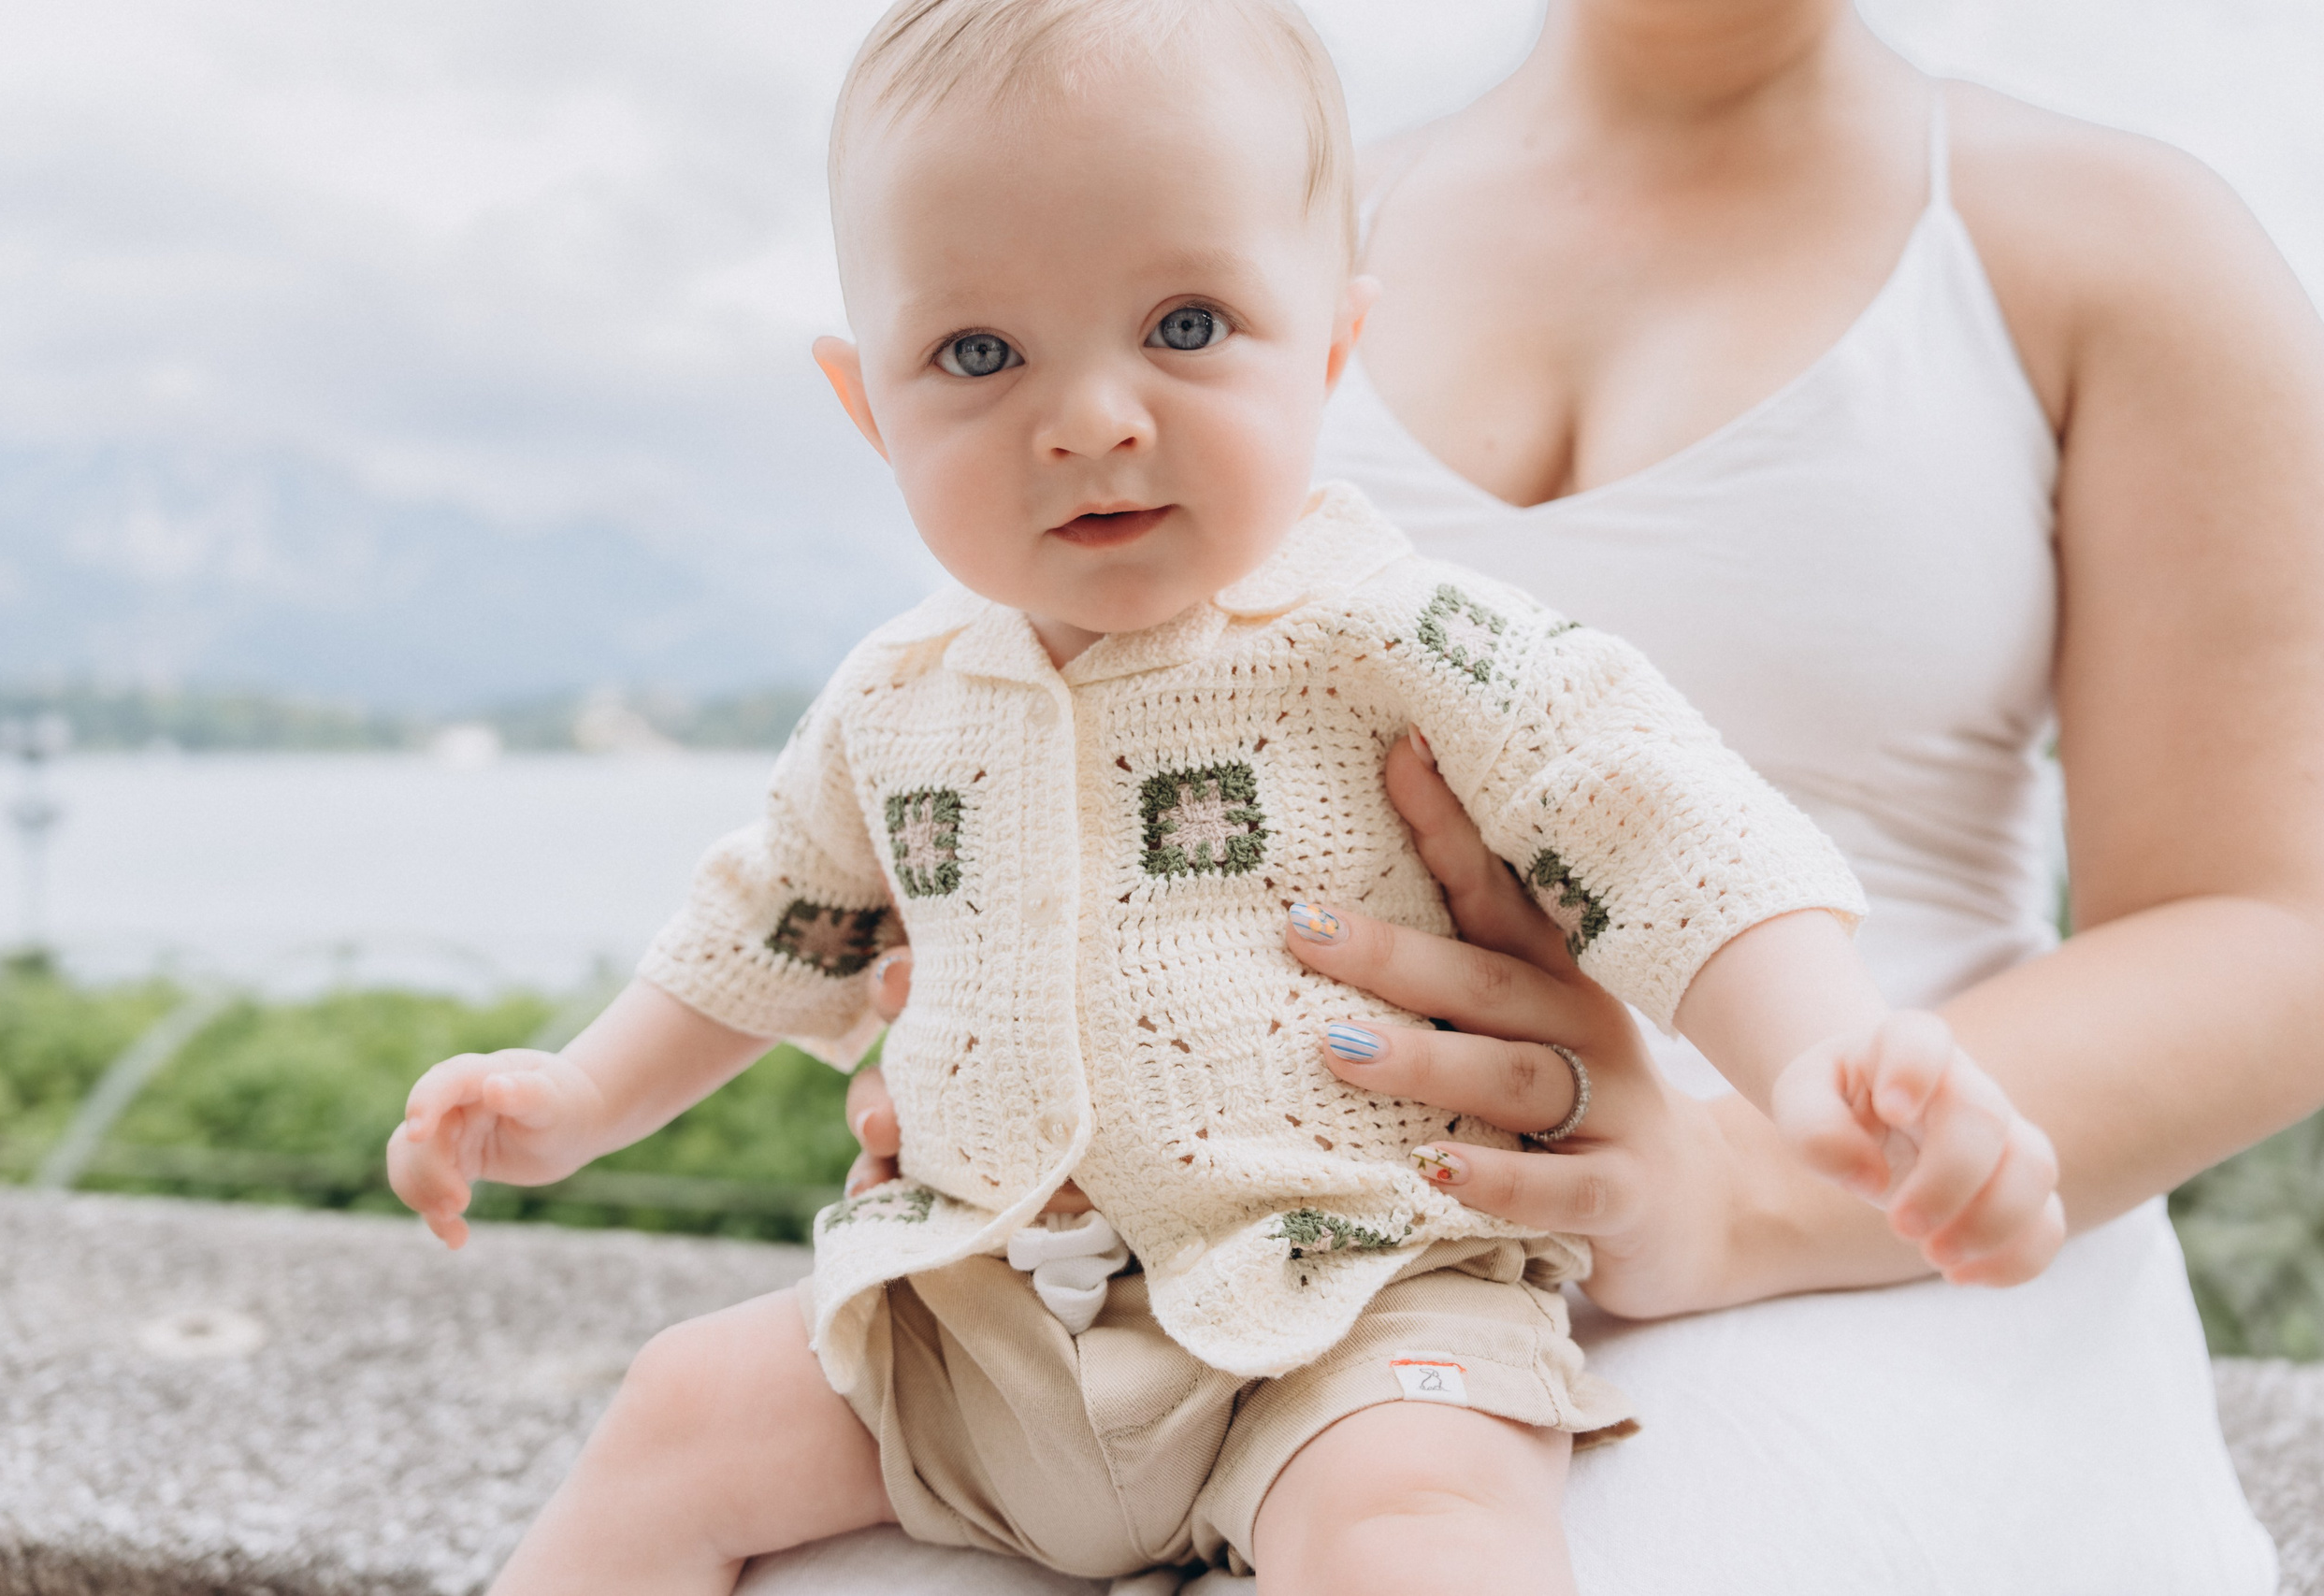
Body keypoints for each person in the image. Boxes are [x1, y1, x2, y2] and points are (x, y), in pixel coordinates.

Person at [383, 3, 2071, 1591]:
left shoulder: (1393, 633)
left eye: (1186, 327)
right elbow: (772, 921)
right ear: (866, 406)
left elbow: (1649, 820)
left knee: (1421, 1524)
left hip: (1359, 1304)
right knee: (679, 1411)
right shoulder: (894, 698)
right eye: (977, 351)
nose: (1090, 418)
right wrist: (580, 1094)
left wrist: (1821, 1047)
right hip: (978, 1312)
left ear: (1333, 343)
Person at [830, 1, 2324, 1591]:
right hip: (1240, 1263)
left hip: (1872, 1254)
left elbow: (2273, 924)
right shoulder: (1214, 198)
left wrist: (1733, 1191)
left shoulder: (2117, 241)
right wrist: (1002, 1032)